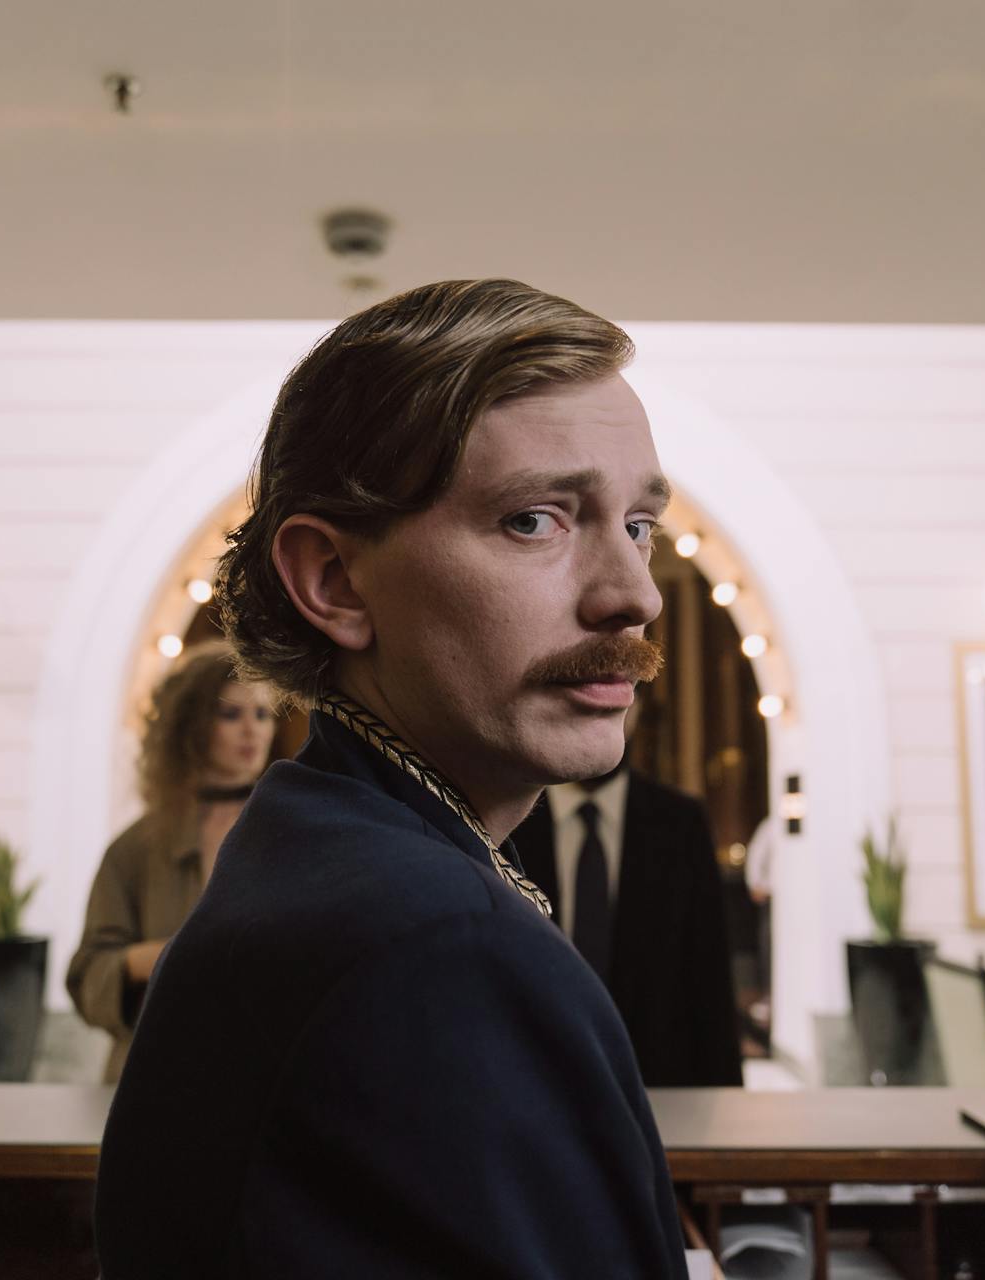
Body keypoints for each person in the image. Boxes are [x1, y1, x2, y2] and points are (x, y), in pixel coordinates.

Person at [95, 280, 688, 1278]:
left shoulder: (316, 841)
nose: (633, 596)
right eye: (536, 519)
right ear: (332, 581)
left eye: (638, 525)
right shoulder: (437, 937)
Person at [66, 642, 276, 1082]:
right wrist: (155, 958)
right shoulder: (136, 848)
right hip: (154, 1075)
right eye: (231, 714)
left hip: (262, 1075)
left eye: (262, 714)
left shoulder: (292, 833)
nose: (251, 730)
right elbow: (87, 978)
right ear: (191, 724)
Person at [509, 702, 743, 1087]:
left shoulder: (680, 824)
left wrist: (725, 1104)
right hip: (535, 1081)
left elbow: (709, 974)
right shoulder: (511, 821)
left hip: (659, 1089)